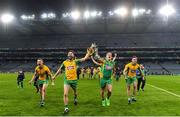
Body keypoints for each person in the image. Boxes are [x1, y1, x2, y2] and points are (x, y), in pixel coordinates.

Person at [52, 50, 90, 115]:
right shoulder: (64, 62)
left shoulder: (76, 61)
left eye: (71, 54)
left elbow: (84, 58)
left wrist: (88, 53)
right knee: (65, 94)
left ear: (73, 55)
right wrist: (54, 76)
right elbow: (60, 69)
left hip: (74, 80)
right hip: (67, 80)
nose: (70, 54)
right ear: (67, 55)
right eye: (69, 54)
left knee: (75, 92)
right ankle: (66, 108)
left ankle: (75, 98)